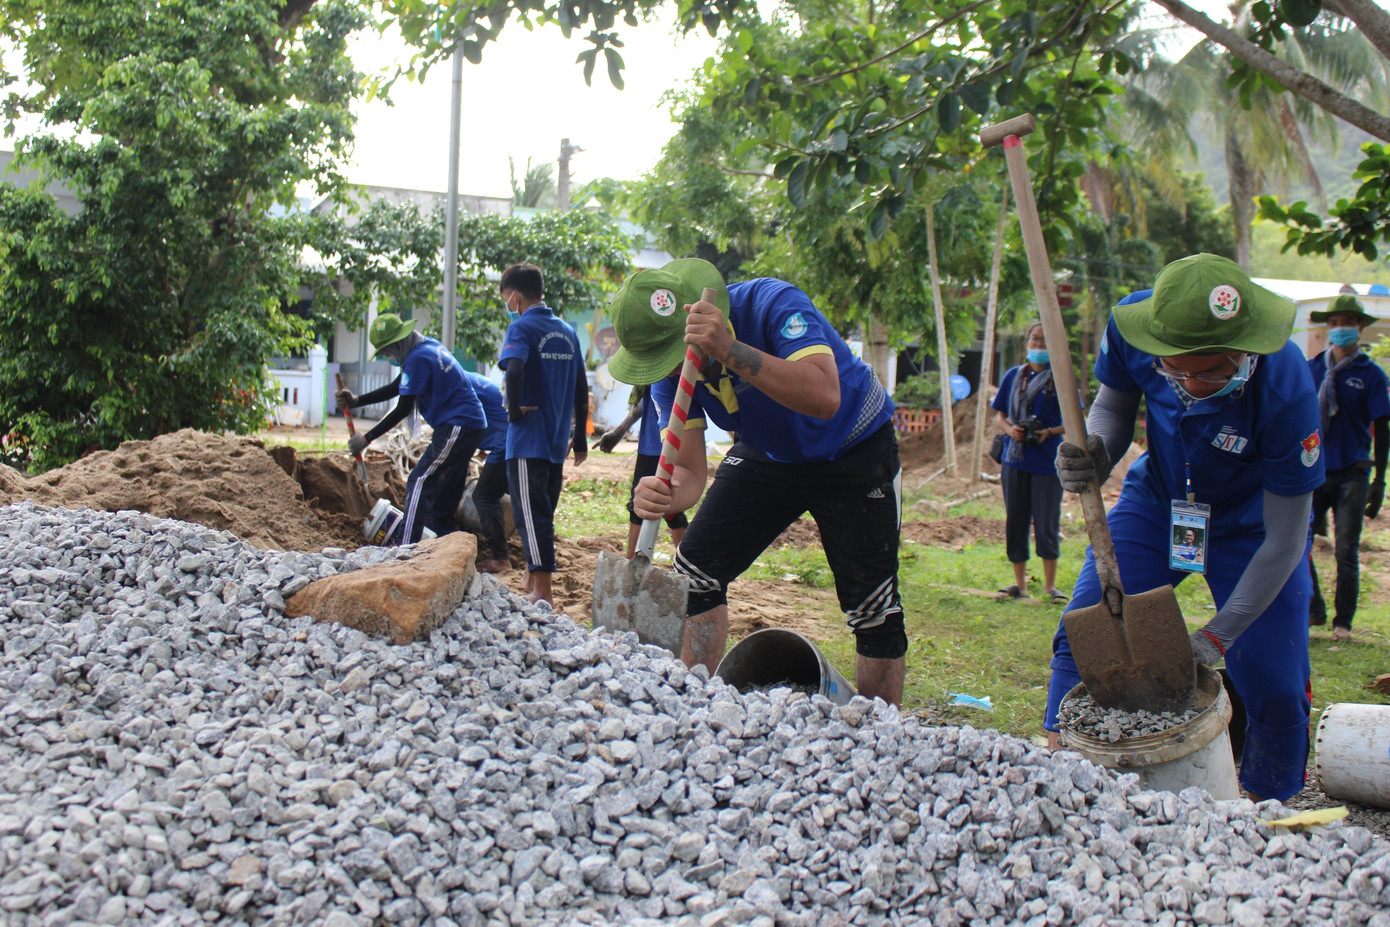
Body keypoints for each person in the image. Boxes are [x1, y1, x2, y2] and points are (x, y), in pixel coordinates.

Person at [1048, 254, 1323, 803]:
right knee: (1088, 627)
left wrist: (1217, 635)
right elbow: (1113, 409)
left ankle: (1266, 806)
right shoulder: (1135, 328)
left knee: (1275, 678)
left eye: (1213, 371)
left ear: (1247, 350)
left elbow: (1287, 538)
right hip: (1160, 502)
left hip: (1253, 530)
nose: (1193, 384)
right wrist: (1097, 451)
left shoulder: (1287, 389)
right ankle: (1064, 772)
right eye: (1177, 371)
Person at [607, 258, 906, 706]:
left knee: (872, 607)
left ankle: (883, 738)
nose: (668, 373)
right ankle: (693, 704)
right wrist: (665, 495)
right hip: (769, 453)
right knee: (696, 573)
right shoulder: (669, 379)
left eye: (668, 360)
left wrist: (729, 351)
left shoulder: (772, 303)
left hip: (853, 447)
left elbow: (825, 397)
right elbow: (689, 472)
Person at [336, 313, 487, 544]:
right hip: (469, 424)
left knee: (419, 481)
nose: (388, 358)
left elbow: (402, 409)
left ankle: (405, 548)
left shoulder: (418, 358)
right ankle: (445, 545)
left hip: (458, 424)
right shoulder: (425, 348)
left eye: (386, 353)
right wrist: (357, 401)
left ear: (397, 345)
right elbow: (397, 387)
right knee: (443, 489)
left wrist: (365, 439)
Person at [497, 263, 588, 606]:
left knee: (529, 516)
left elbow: (515, 368)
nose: (508, 304)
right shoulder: (567, 331)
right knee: (544, 512)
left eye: (507, 298)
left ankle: (543, 593)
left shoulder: (521, 328)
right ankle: (532, 576)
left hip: (527, 440)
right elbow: (581, 386)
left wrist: (514, 409)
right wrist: (579, 437)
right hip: (556, 442)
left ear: (516, 296)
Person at [1306, 293, 1388, 642]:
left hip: (1353, 471)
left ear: (1360, 328)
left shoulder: (1371, 375)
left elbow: (1382, 427)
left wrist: (1379, 480)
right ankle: (1313, 610)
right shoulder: (1312, 368)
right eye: (1334, 324)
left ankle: (1343, 622)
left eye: (1347, 324)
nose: (1340, 330)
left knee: (1345, 550)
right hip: (1313, 469)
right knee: (1297, 543)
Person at [991, 321, 1068, 603]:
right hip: (1014, 460)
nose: (1038, 346)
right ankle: (1019, 584)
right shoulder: (1014, 375)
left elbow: (1072, 419)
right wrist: (1010, 430)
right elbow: (999, 414)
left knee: (1046, 522)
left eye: (1045, 342)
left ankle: (1050, 587)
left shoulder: (1060, 378)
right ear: (1027, 343)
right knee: (1016, 521)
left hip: (1047, 461)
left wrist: (1048, 432)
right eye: (1035, 340)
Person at [592, 384, 688, 557]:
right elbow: (645, 401)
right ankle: (631, 562)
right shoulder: (650, 374)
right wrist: (619, 432)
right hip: (651, 444)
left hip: (669, 445)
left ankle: (687, 563)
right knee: (641, 503)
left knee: (669, 505)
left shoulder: (675, 370)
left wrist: (619, 432)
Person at [465, 370, 512, 574]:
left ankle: (501, 558)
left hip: (506, 442)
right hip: (515, 438)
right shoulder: (468, 378)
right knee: (519, 495)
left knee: (483, 496)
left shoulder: (455, 384)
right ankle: (535, 557)